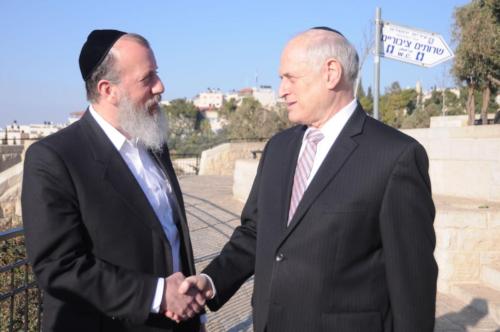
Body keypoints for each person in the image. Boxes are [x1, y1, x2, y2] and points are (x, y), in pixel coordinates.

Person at [178, 27, 438, 332]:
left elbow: (412, 284)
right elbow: (255, 233)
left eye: (290, 78)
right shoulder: (278, 148)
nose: (281, 90)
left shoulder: (396, 156)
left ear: (331, 73)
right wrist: (211, 281)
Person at [22, 29, 205, 332]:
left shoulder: (154, 143)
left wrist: (194, 316)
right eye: (147, 79)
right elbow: (58, 267)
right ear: (109, 89)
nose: (161, 86)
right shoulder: (54, 157)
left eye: (156, 74)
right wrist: (158, 295)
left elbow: (170, 235)